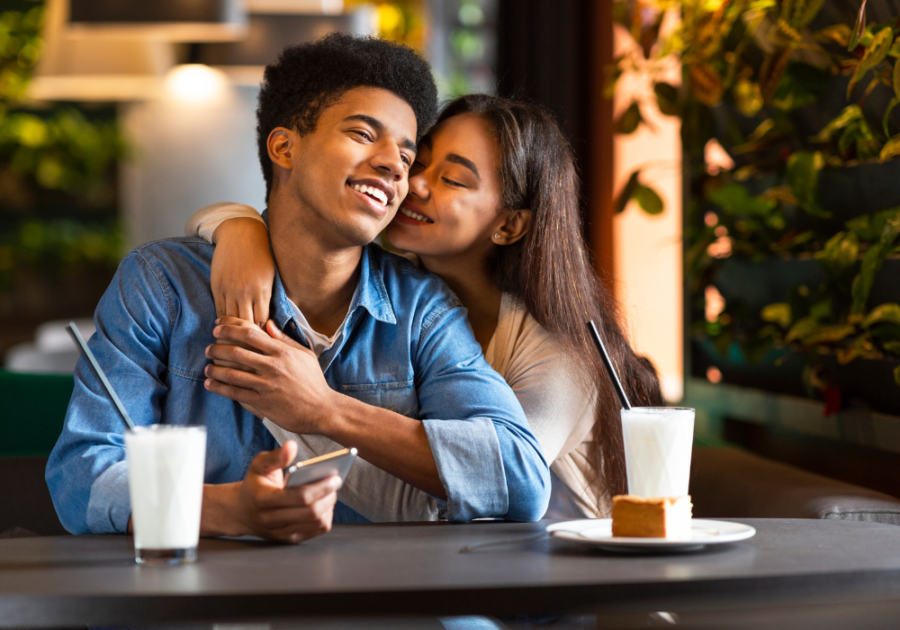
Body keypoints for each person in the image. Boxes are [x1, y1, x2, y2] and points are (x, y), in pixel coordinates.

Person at [46, 36, 550, 541]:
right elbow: (80, 476)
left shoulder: (422, 309)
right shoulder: (163, 286)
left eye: (405, 153)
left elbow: (520, 478)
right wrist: (228, 511)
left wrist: (325, 409)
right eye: (362, 134)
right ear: (285, 147)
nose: (395, 166)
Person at [187, 94, 663, 519]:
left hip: (548, 592)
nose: (412, 184)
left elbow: (465, 500)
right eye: (419, 162)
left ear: (509, 225)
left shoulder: (557, 354)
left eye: (453, 179)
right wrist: (237, 224)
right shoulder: (401, 291)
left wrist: (301, 405)